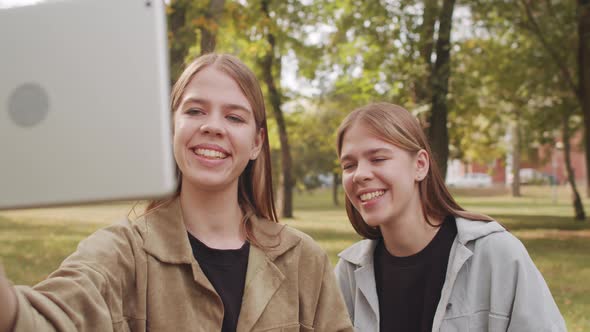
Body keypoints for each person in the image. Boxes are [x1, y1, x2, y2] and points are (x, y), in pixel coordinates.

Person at [0, 53, 353, 332]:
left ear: (257, 142)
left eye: (234, 117)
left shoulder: (304, 260)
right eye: (195, 110)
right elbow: (45, 318)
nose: (212, 126)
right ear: (171, 127)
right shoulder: (122, 252)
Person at [333, 103, 566, 331]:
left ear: (420, 165)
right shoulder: (348, 274)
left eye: (378, 159)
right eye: (349, 165)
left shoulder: (496, 254)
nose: (360, 174)